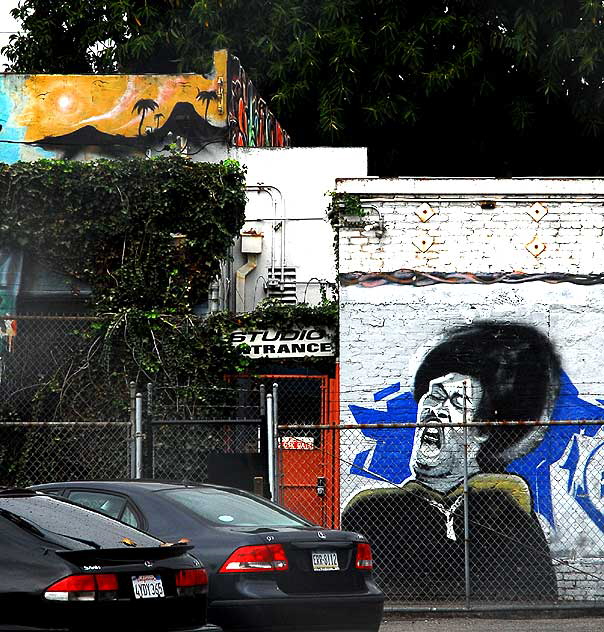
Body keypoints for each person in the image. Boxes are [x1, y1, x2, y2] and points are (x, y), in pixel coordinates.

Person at [342, 322, 560, 601]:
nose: (437, 409)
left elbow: (535, 590)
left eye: (457, 401)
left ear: (481, 431)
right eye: (433, 396)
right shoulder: (372, 509)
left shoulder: (502, 505)